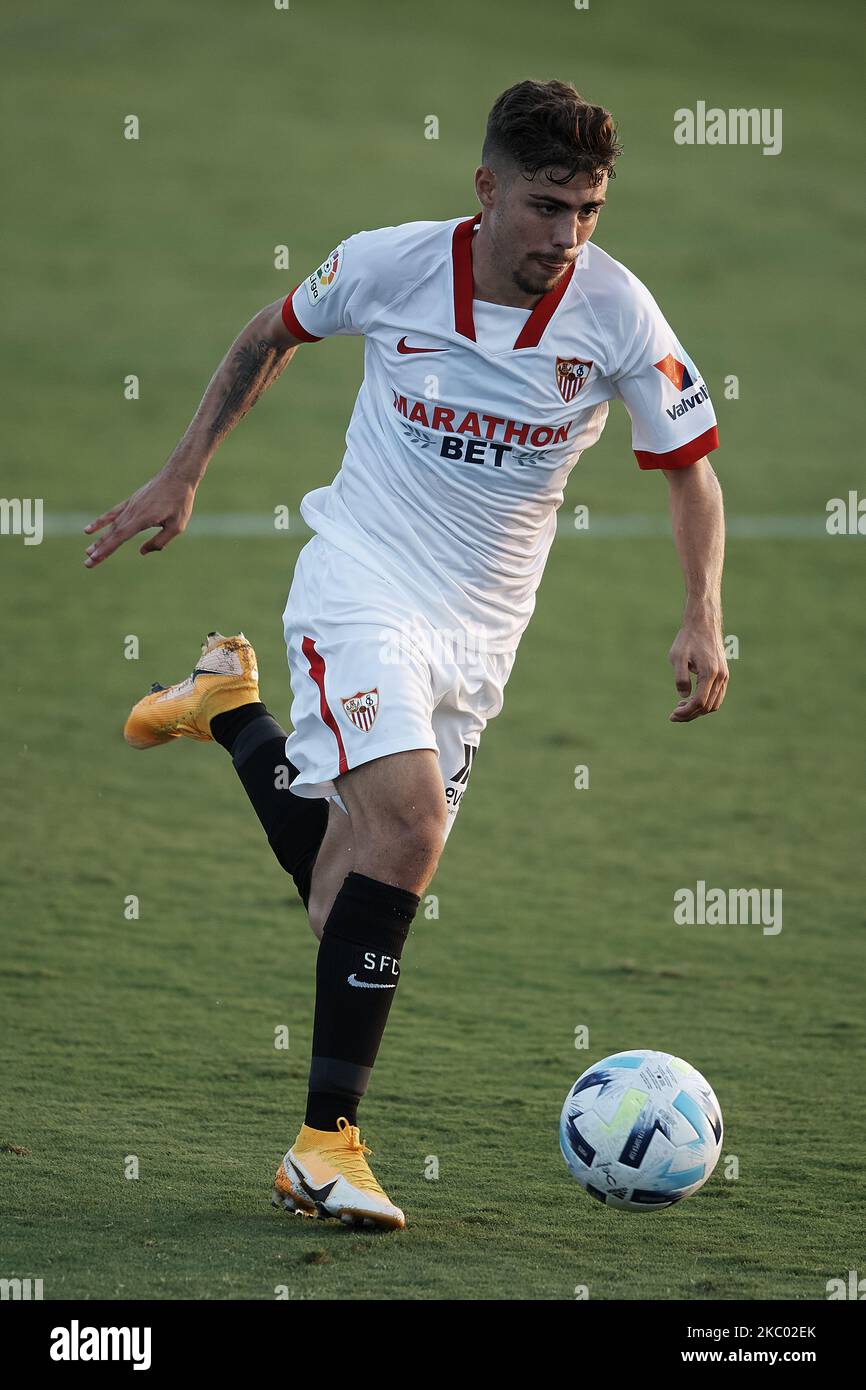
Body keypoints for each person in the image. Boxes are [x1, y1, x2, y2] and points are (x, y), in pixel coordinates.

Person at [84, 79, 728, 1230]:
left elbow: (687, 467)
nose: (566, 234)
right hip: (361, 580)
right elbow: (268, 333)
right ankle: (322, 1148)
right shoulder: (389, 264)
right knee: (412, 825)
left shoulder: (618, 312)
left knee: (352, 893)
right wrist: (183, 470)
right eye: (544, 205)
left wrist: (699, 611)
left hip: (480, 637)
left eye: (587, 208)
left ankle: (229, 707)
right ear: (484, 189)